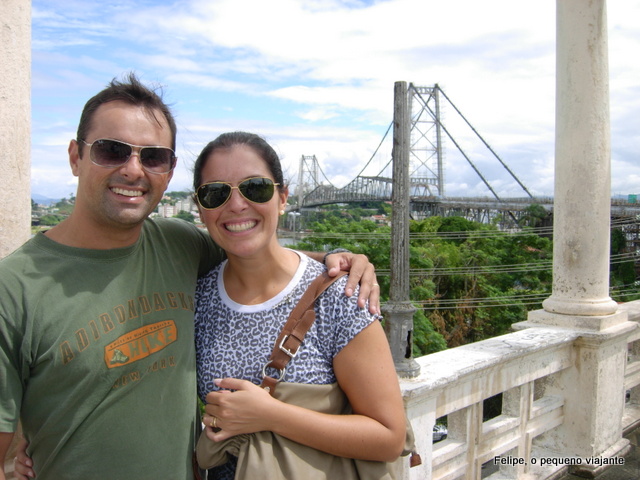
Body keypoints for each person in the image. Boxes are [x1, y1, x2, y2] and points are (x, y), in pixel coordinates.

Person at [0, 74, 380, 480]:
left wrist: (335, 260)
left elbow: (253, 248)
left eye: (153, 157)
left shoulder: (179, 244)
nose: (133, 170)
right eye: (112, 151)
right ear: (76, 156)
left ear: (169, 169)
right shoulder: (15, 288)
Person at [191, 131, 406, 479]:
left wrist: (270, 415)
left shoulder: (340, 295)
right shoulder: (198, 299)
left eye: (255, 188)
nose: (236, 205)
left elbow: (388, 438)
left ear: (283, 197)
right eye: (215, 193)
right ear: (200, 209)